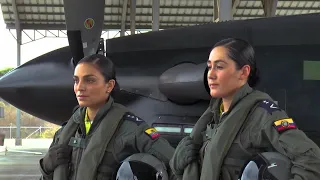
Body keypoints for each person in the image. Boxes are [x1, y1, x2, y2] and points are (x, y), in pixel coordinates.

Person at [169, 38, 320, 180]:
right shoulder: (213, 116)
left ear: (243, 72)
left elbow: (311, 160)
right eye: (210, 67)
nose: (211, 75)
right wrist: (177, 165)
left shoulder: (262, 115)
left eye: (219, 67)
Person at [39, 54, 175, 180]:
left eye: (89, 80)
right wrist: (46, 167)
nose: (79, 87)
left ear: (109, 86)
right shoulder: (65, 132)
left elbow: (175, 165)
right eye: (76, 80)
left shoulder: (132, 130)